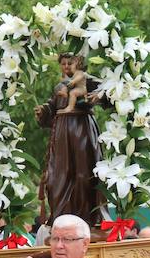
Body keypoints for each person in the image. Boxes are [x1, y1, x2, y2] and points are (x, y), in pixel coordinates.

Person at [35, 53, 109, 225]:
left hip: (82, 129)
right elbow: (52, 106)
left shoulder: (86, 79)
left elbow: (106, 90)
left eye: (70, 63)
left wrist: (98, 97)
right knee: (58, 175)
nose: (66, 67)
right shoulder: (59, 85)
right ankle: (61, 217)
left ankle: (88, 218)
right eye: (63, 64)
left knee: (84, 173)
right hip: (61, 132)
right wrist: (43, 111)